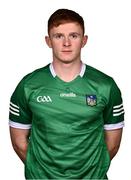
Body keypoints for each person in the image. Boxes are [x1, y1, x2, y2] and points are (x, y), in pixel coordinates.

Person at [9, 8, 125, 179]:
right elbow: (19, 143)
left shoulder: (106, 86)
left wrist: (92, 172)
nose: (66, 43)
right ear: (48, 41)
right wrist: (42, 173)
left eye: (73, 36)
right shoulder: (28, 86)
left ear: (84, 40)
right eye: (58, 36)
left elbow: (113, 145)